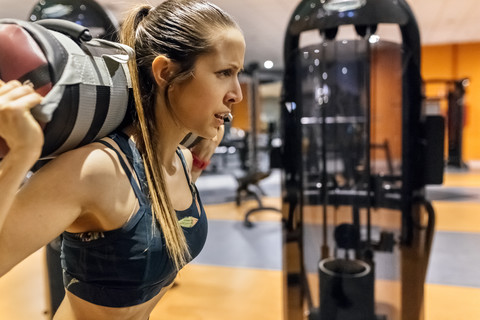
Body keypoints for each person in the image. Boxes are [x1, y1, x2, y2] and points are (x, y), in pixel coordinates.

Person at [0, 0, 245, 319]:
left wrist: (198, 161)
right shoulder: (98, 169)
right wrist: (20, 156)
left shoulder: (181, 162)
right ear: (165, 72)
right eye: (224, 73)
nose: (237, 93)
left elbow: (155, 218)